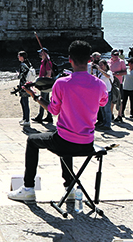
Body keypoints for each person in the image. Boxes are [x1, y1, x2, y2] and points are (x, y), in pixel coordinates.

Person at [9, 40, 109, 202]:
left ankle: (28, 188)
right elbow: (103, 102)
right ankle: (69, 187)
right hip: (87, 143)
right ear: (90, 60)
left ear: (70, 60)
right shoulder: (99, 85)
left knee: (33, 140)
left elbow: (53, 110)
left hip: (65, 142)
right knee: (64, 135)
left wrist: (35, 96)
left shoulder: (62, 83)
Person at [32, 48, 55, 125]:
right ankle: (49, 116)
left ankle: (40, 116)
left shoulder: (47, 62)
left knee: (41, 99)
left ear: (45, 53)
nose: (40, 54)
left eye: (41, 53)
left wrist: (43, 82)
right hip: (44, 84)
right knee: (46, 100)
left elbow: (48, 74)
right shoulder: (44, 62)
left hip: (45, 85)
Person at [17, 51, 33, 127]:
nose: (18, 57)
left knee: (24, 102)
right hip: (28, 84)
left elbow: (20, 76)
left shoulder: (22, 65)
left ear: (22, 57)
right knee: (23, 101)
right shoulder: (28, 63)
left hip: (24, 85)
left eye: (19, 56)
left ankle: (26, 119)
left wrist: (18, 74)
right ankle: (24, 118)